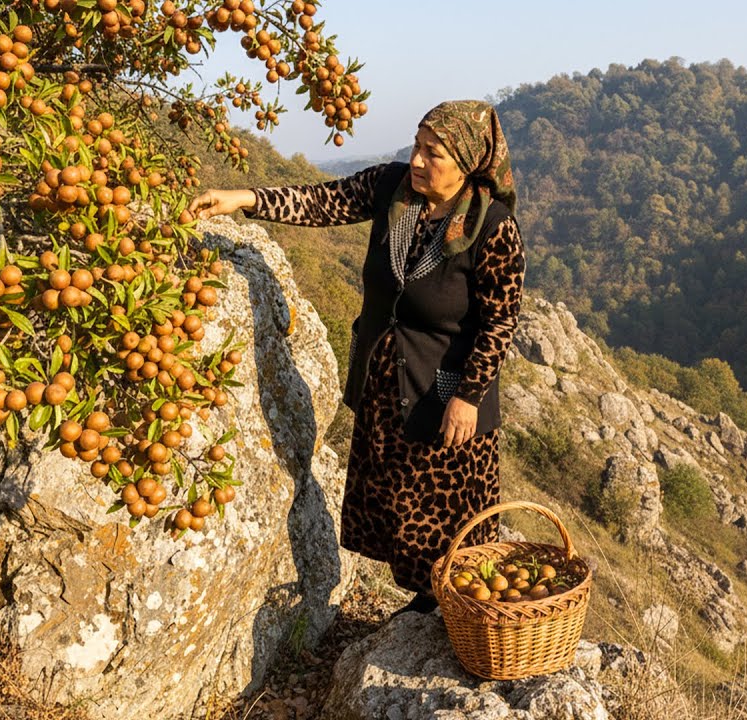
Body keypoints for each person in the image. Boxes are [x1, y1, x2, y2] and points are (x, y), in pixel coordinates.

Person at [189, 100, 524, 614]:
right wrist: (245, 198)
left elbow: (499, 322)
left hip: (448, 387)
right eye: (416, 145)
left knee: (445, 510)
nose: (416, 160)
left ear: (465, 162)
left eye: (432, 153)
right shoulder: (394, 190)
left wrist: (468, 396)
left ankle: (457, 609)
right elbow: (324, 201)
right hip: (386, 378)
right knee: (397, 500)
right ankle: (424, 601)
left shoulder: (491, 226)